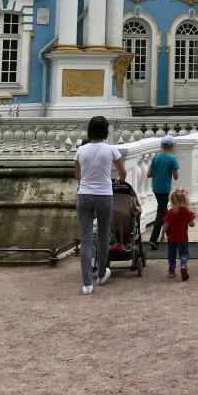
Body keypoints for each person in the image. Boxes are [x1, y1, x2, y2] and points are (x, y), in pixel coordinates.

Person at [74, 115, 126, 295]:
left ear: (90, 130)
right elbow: (123, 173)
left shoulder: (81, 150)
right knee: (103, 236)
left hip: (84, 194)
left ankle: (87, 284)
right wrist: (119, 179)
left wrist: (84, 186)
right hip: (104, 194)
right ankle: (102, 274)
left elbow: (77, 175)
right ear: (105, 131)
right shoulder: (111, 150)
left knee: (86, 239)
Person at [146, 135, 179, 250]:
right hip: (165, 189)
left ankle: (171, 235)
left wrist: (158, 173)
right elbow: (176, 176)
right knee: (161, 213)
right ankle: (153, 239)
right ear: (171, 146)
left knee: (164, 211)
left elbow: (148, 174)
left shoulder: (156, 157)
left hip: (156, 188)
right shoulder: (172, 158)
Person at [161, 187, 195, 281]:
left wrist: (162, 234)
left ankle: (172, 271)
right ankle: (183, 265)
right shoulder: (187, 211)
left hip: (172, 238)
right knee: (184, 253)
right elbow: (192, 224)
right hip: (183, 238)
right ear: (185, 199)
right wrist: (192, 220)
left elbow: (166, 225)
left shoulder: (170, 212)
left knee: (171, 254)